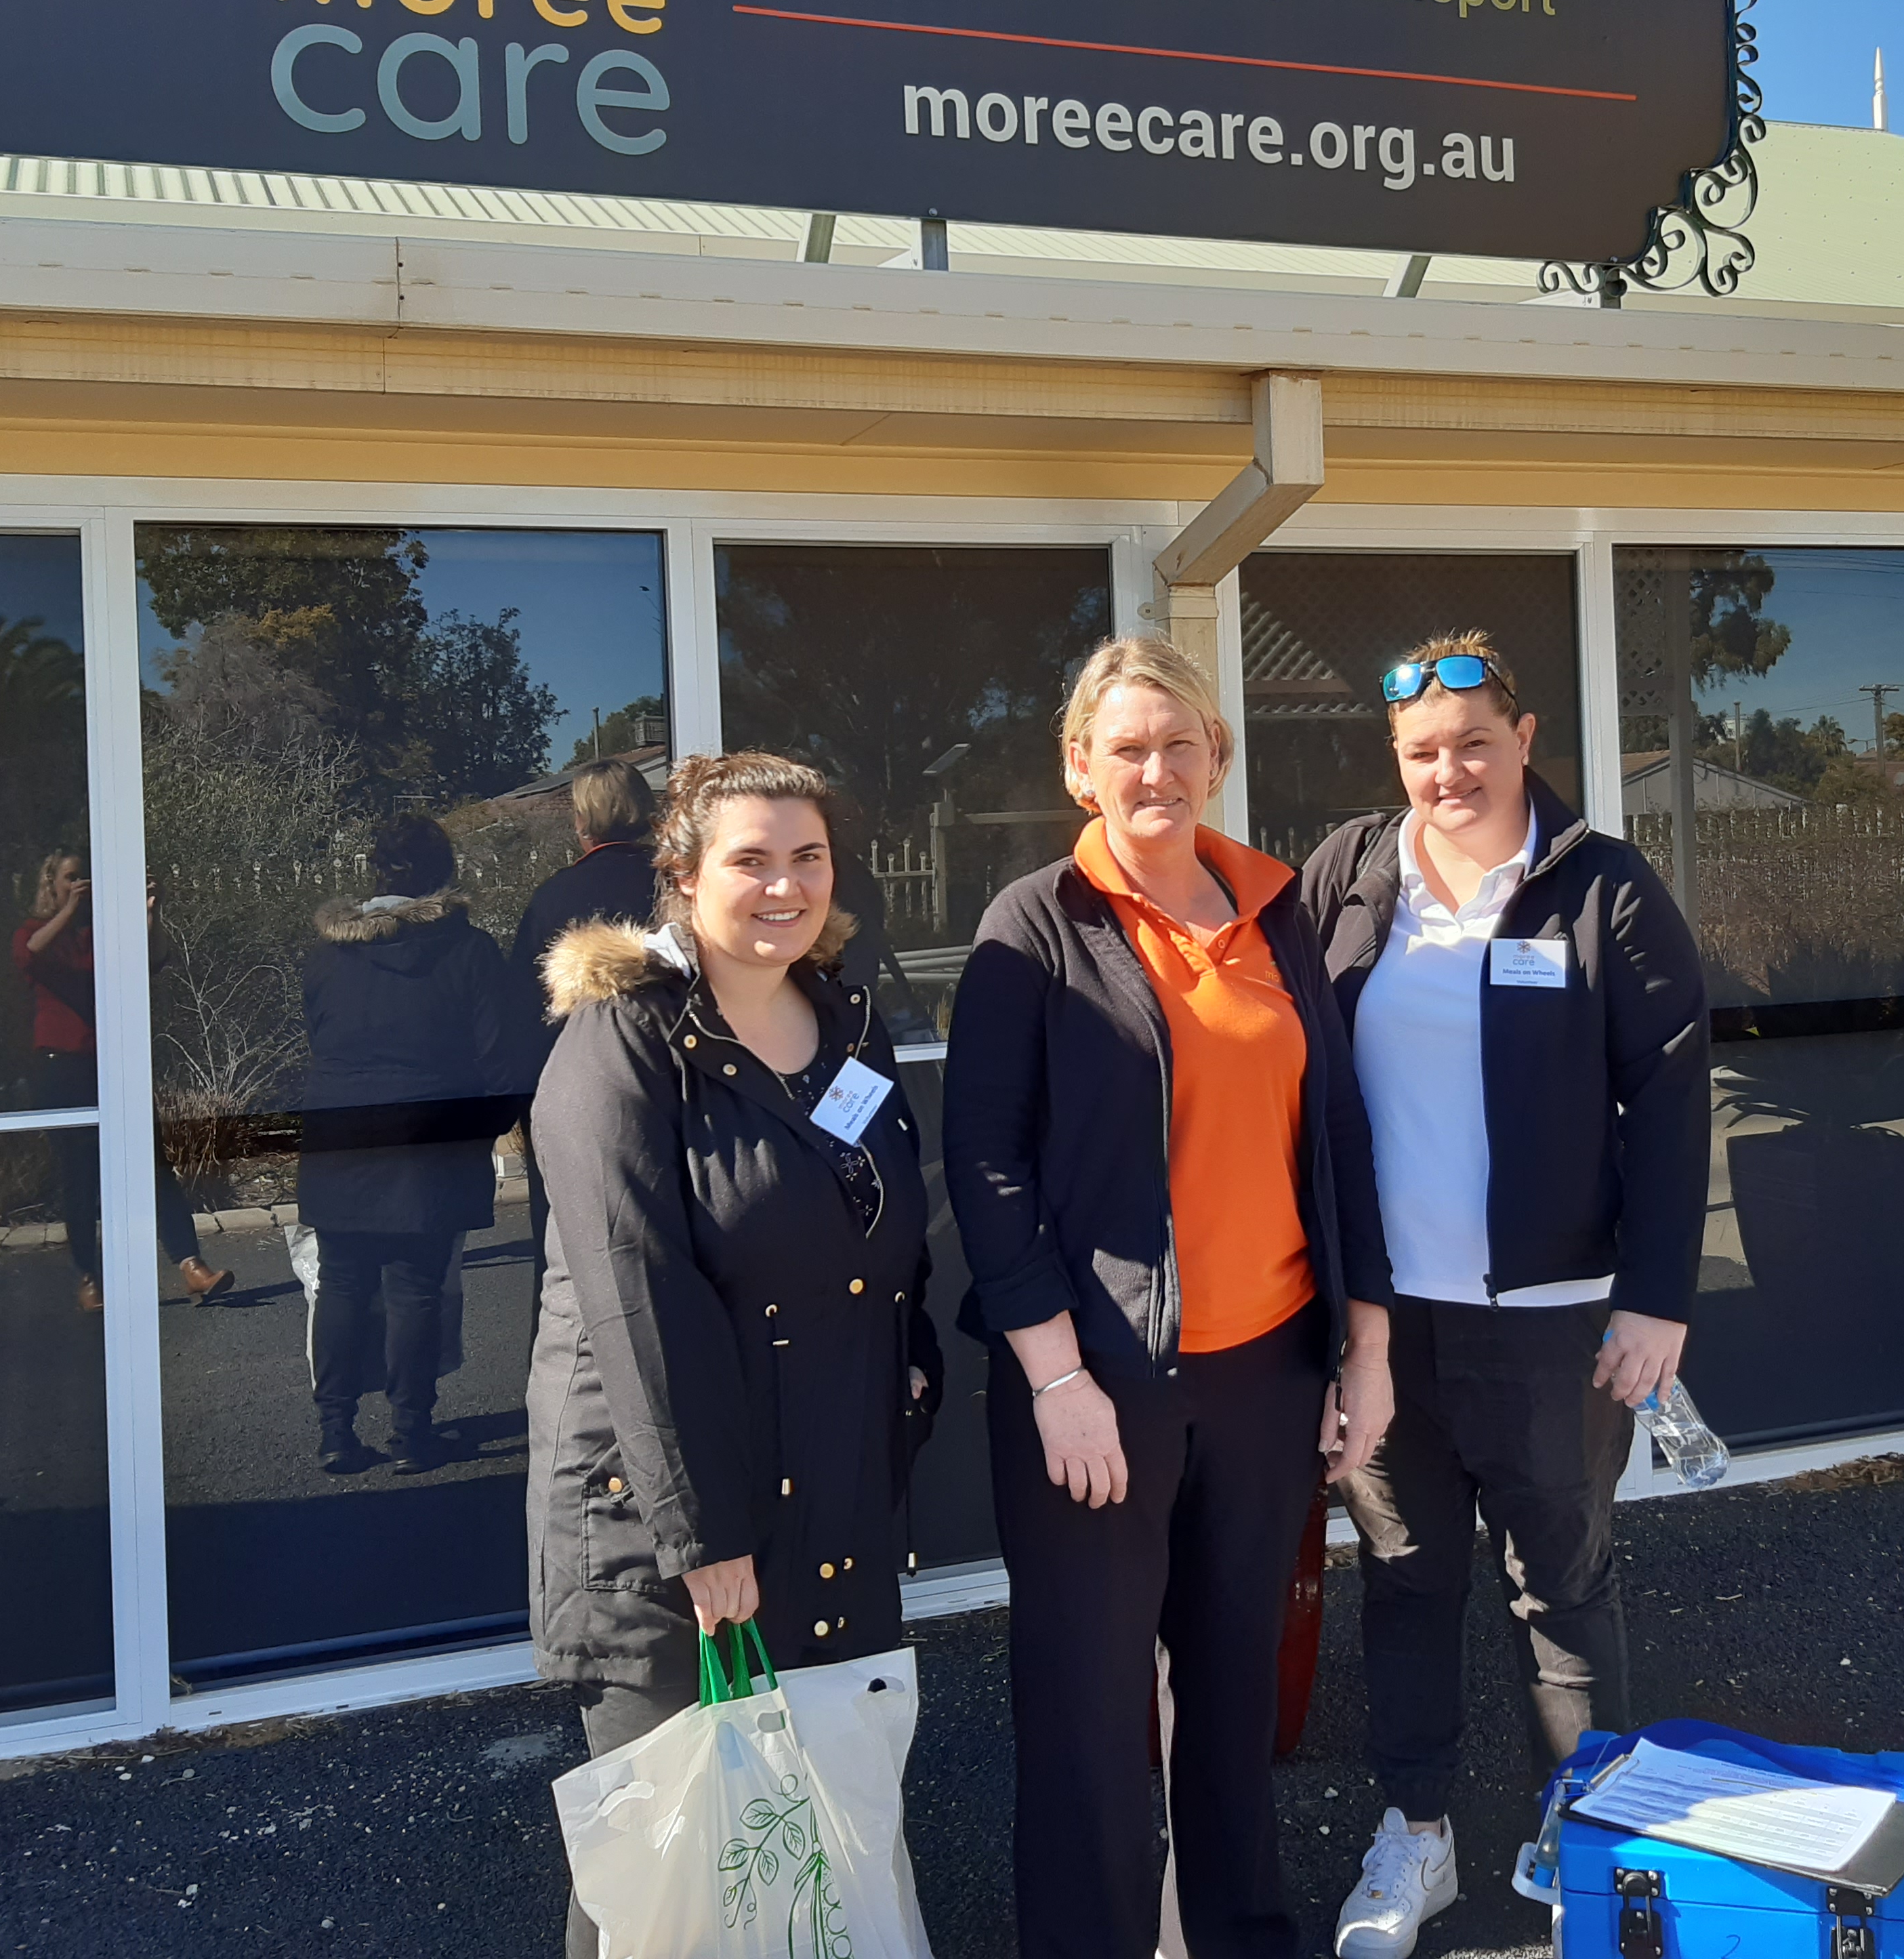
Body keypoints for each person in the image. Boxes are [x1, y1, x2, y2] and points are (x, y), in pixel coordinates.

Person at [945, 636, 1393, 1959]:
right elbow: (983, 1158)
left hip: (1268, 1369)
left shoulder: (1277, 911)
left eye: (1178, 743)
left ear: (1218, 758)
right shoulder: (1033, 926)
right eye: (1125, 747)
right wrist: (1056, 1378)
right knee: (1088, 1710)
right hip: (1101, 1385)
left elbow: (1340, 1135)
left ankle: (1237, 1932)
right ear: (1080, 769)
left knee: (1235, 1685)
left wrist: (1362, 1349)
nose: (1155, 769)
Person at [1298, 632, 1708, 1959]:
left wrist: (1654, 1297)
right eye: (1423, 752)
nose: (1449, 769)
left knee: (1563, 1587)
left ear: (1525, 738)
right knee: (1407, 1580)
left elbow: (1673, 1098)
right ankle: (1416, 1834)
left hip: (1555, 1319)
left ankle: (1599, 1852)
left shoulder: (1605, 888)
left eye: (1475, 741)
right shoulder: (1352, 872)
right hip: (1383, 1323)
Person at [529, 751, 940, 1959]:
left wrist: (903, 1359)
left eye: (805, 857)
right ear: (682, 877)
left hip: (828, 1483)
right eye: (748, 860)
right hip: (665, 1514)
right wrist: (702, 1539)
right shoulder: (622, 1044)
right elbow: (632, 1297)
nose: (782, 885)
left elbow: (886, 1226)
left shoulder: (847, 1025)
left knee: (815, 1823)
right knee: (668, 1850)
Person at [298, 812, 522, 1477]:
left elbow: (316, 1035)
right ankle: (410, 1431)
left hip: (340, 1130)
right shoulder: (469, 952)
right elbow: (499, 1060)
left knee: (341, 1279)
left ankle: (335, 1431)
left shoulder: (328, 956)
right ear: (443, 871)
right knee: (415, 1285)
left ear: (376, 870)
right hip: (430, 1135)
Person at [12, 852, 231, 1315]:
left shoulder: (99, 938)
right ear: (50, 883)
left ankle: (192, 1265)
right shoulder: (38, 932)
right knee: (80, 1179)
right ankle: (91, 1277)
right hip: (63, 1068)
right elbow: (30, 954)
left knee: (153, 1169)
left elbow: (147, 961)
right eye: (70, 879)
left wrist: (150, 912)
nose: (80, 886)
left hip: (113, 1067)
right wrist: (69, 910)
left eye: (84, 880)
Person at [508, 761, 663, 1265]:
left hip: (574, 1092)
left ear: (582, 821)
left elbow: (525, 1011)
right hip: (672, 1087)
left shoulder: (555, 898)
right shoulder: (680, 889)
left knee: (568, 1253)